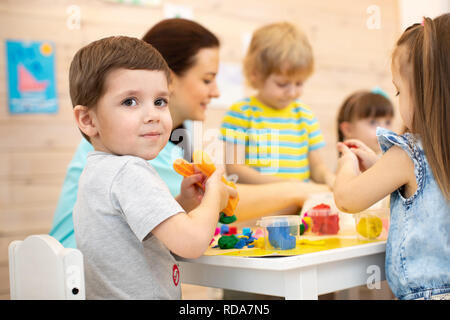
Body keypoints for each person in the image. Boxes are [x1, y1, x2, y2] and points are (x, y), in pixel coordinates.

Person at [50, 18, 329, 249]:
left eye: (159, 103)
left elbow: (173, 212)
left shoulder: (149, 145)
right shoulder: (126, 157)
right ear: (168, 79)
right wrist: (302, 189)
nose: (217, 91)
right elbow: (216, 219)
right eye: (207, 79)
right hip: (78, 281)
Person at [70, 36, 236, 299]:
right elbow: (191, 244)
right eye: (130, 102)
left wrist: (183, 203)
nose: (153, 115)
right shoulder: (129, 171)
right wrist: (215, 188)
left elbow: (140, 231)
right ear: (88, 120)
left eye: (160, 101)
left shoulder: (98, 171)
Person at [333, 14, 450, 300]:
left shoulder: (408, 154)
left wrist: (347, 165)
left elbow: (348, 198)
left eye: (399, 89)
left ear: (424, 93)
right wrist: (378, 167)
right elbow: (423, 189)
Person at [219, 22, 335, 187]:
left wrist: (329, 178)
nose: (292, 92)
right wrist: (286, 185)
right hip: (259, 207)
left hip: (299, 205)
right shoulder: (240, 113)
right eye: (282, 84)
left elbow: (317, 167)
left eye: (299, 83)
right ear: (255, 75)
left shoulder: (305, 115)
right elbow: (235, 170)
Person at [336, 89, 394, 154]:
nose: (384, 130)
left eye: (388, 122)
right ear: (348, 130)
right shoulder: (349, 163)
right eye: (373, 122)